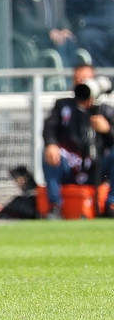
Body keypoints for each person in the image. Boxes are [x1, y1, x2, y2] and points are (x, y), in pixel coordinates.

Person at [42, 64, 114, 219]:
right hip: (70, 166)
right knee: (50, 153)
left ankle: (111, 204)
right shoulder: (63, 106)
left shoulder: (105, 110)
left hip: (97, 167)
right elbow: (49, 127)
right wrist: (51, 144)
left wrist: (107, 130)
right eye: (77, 79)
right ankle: (54, 206)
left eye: (85, 79)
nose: (81, 82)